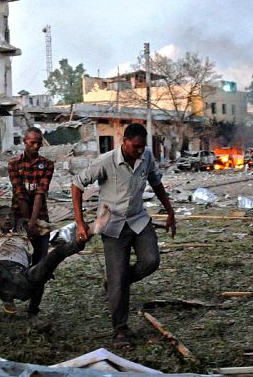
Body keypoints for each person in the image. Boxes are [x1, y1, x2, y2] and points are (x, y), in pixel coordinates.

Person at [71, 123, 176, 348]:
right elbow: (77, 184)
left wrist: (170, 211)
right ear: (124, 142)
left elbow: (156, 183)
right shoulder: (106, 161)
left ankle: (116, 283)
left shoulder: (146, 157)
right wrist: (81, 224)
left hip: (138, 219)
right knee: (117, 278)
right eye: (135, 147)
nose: (139, 151)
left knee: (151, 260)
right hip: (112, 225)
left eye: (142, 147)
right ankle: (120, 329)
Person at [0, 206, 107, 309]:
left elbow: (47, 228)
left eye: (10, 215)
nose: (7, 218)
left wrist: (31, 222)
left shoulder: (23, 232)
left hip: (24, 277)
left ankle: (87, 234)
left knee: (53, 256)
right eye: (3, 216)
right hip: (1, 277)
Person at [6, 126, 54, 318]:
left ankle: (33, 309)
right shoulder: (14, 164)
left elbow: (39, 195)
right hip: (17, 221)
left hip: (40, 220)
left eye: (39, 142)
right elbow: (20, 196)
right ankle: (11, 300)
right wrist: (26, 224)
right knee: (15, 262)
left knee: (40, 265)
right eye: (32, 142)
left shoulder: (47, 164)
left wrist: (33, 224)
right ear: (24, 142)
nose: (36, 146)